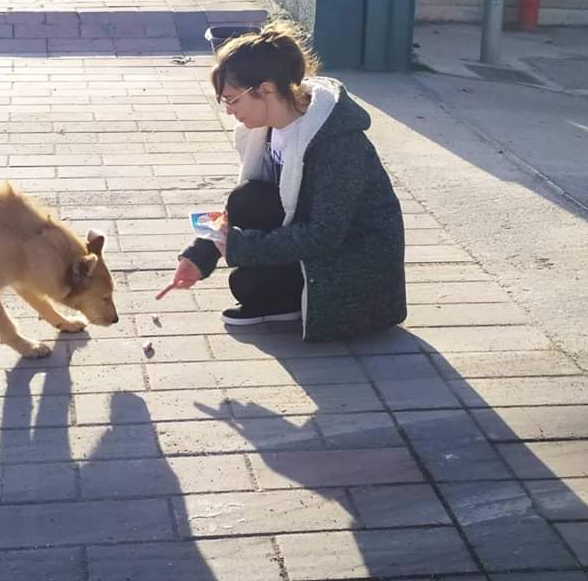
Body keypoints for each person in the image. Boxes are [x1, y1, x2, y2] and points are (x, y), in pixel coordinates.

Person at [157, 21, 407, 342]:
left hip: (354, 266)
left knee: (247, 284)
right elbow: (252, 207)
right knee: (246, 198)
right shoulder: (267, 128)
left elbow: (325, 234)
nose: (229, 112)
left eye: (232, 100)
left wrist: (237, 246)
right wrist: (199, 255)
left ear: (266, 90)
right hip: (317, 239)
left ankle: (293, 301)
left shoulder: (336, 142)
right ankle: (283, 298)